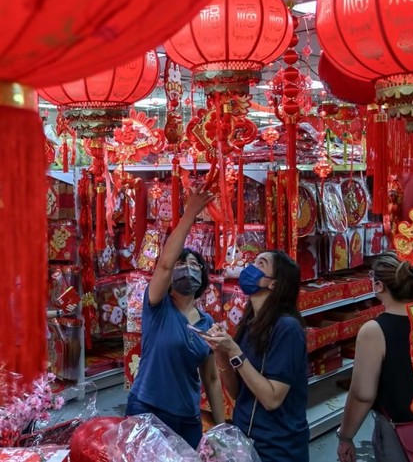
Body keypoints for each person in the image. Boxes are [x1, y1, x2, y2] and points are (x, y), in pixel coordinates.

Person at [126, 186, 225, 448]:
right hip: (147, 409)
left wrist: (222, 428)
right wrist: (189, 214)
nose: (187, 269)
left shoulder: (207, 324)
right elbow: (166, 264)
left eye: (195, 266)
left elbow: (212, 380)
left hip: (188, 418)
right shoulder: (158, 307)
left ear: (203, 279)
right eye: (182, 264)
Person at [205, 250, 309, 462]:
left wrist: (235, 351)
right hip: (246, 440)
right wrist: (222, 354)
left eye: (260, 264)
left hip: (278, 446)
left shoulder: (287, 328)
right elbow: (237, 392)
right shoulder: (251, 322)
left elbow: (272, 399)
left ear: (274, 284)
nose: (249, 268)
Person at [336, 251, 413, 462]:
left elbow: (363, 394)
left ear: (379, 286)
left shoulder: (374, 330)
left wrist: (346, 436)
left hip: (398, 431)